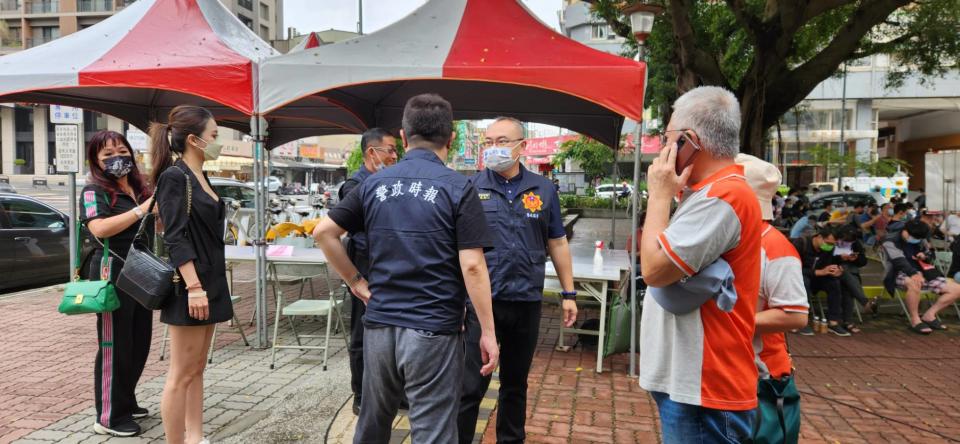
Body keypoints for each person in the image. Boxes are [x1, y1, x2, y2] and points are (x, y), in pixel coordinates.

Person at [313, 93, 499, 442]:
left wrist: (355, 281)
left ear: (403, 136)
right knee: (432, 430)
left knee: (372, 423)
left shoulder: (374, 184)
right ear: (451, 138)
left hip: (380, 325)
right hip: (433, 328)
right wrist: (488, 332)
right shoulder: (459, 187)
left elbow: (324, 233)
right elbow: (472, 266)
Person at [639, 86, 762, 442]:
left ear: (689, 140)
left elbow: (655, 269)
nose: (664, 148)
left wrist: (660, 196)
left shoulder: (726, 196)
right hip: (692, 383)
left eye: (668, 138)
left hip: (706, 385)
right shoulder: (710, 193)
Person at [457, 117, 578, 444]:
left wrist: (569, 292)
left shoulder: (543, 189)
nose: (494, 148)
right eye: (489, 142)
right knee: (470, 387)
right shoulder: (470, 188)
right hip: (484, 305)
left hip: (526, 302)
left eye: (502, 141)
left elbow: (557, 242)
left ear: (522, 146)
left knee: (515, 384)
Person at [150, 105, 235, 444]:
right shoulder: (176, 176)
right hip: (191, 286)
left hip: (210, 281)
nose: (219, 142)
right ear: (194, 139)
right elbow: (175, 236)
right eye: (214, 136)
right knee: (180, 374)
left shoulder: (201, 175)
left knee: (197, 369)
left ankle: (196, 437)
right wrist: (194, 287)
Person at [80, 131, 155, 437]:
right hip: (112, 270)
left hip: (141, 269)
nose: (116, 158)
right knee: (114, 344)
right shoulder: (94, 190)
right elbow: (99, 228)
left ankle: (126, 399)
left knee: (139, 342)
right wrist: (142, 209)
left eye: (121, 151)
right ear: (96, 161)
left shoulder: (138, 187)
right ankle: (109, 415)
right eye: (107, 155)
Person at [736, 154, 808, 444]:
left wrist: (730, 323)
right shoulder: (736, 238)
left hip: (760, 374)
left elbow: (795, 315)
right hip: (730, 369)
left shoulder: (775, 247)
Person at [338, 127, 398, 415]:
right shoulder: (355, 186)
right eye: (390, 149)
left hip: (389, 269)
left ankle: (393, 392)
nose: (395, 155)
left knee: (392, 331)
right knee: (362, 332)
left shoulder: (391, 182)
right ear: (372, 153)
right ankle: (360, 394)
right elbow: (358, 233)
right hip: (365, 269)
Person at [881, 220, 960, 334]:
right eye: (915, 238)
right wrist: (914, 273)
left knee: (956, 289)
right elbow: (898, 261)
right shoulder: (890, 241)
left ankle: (929, 315)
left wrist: (925, 256)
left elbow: (930, 253)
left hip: (925, 272)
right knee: (914, 283)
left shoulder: (920, 237)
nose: (917, 240)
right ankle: (915, 319)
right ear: (905, 232)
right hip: (898, 273)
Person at [791, 226, 853, 336]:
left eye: (833, 244)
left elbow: (827, 265)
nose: (830, 246)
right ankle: (800, 322)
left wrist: (835, 270)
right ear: (819, 237)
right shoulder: (801, 244)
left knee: (834, 283)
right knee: (804, 282)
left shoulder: (828, 250)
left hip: (817, 280)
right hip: (797, 279)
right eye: (828, 243)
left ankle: (833, 322)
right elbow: (791, 268)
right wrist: (818, 272)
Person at [836, 224, 874, 330]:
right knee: (845, 270)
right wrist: (840, 258)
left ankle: (847, 321)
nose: (848, 243)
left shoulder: (855, 243)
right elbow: (825, 258)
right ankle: (865, 302)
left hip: (849, 275)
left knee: (848, 286)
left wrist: (855, 259)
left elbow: (863, 261)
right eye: (846, 241)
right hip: (832, 270)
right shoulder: (832, 241)